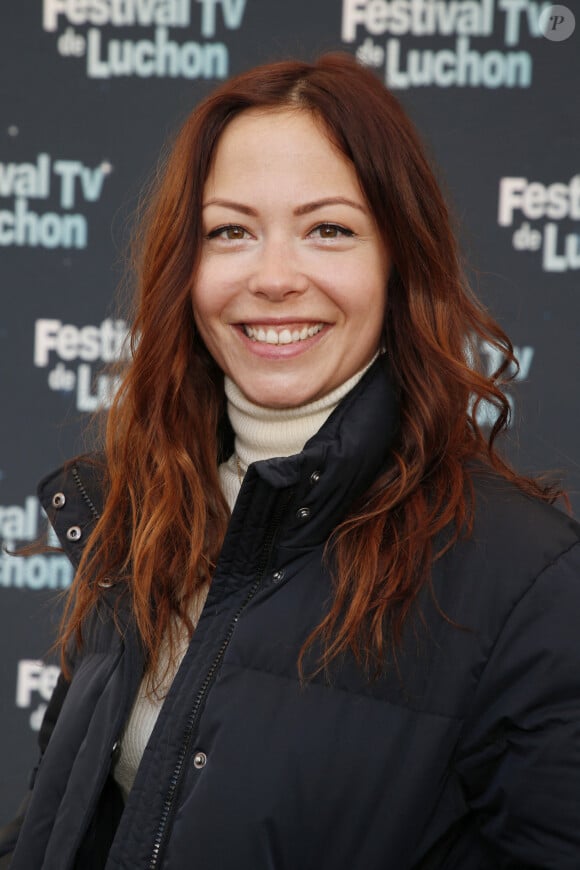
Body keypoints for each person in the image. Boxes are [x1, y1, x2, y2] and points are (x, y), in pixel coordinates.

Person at [2, 53, 580, 870]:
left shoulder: (527, 580)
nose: (274, 278)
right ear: (186, 268)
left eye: (329, 230)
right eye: (230, 231)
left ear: (398, 262)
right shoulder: (143, 514)